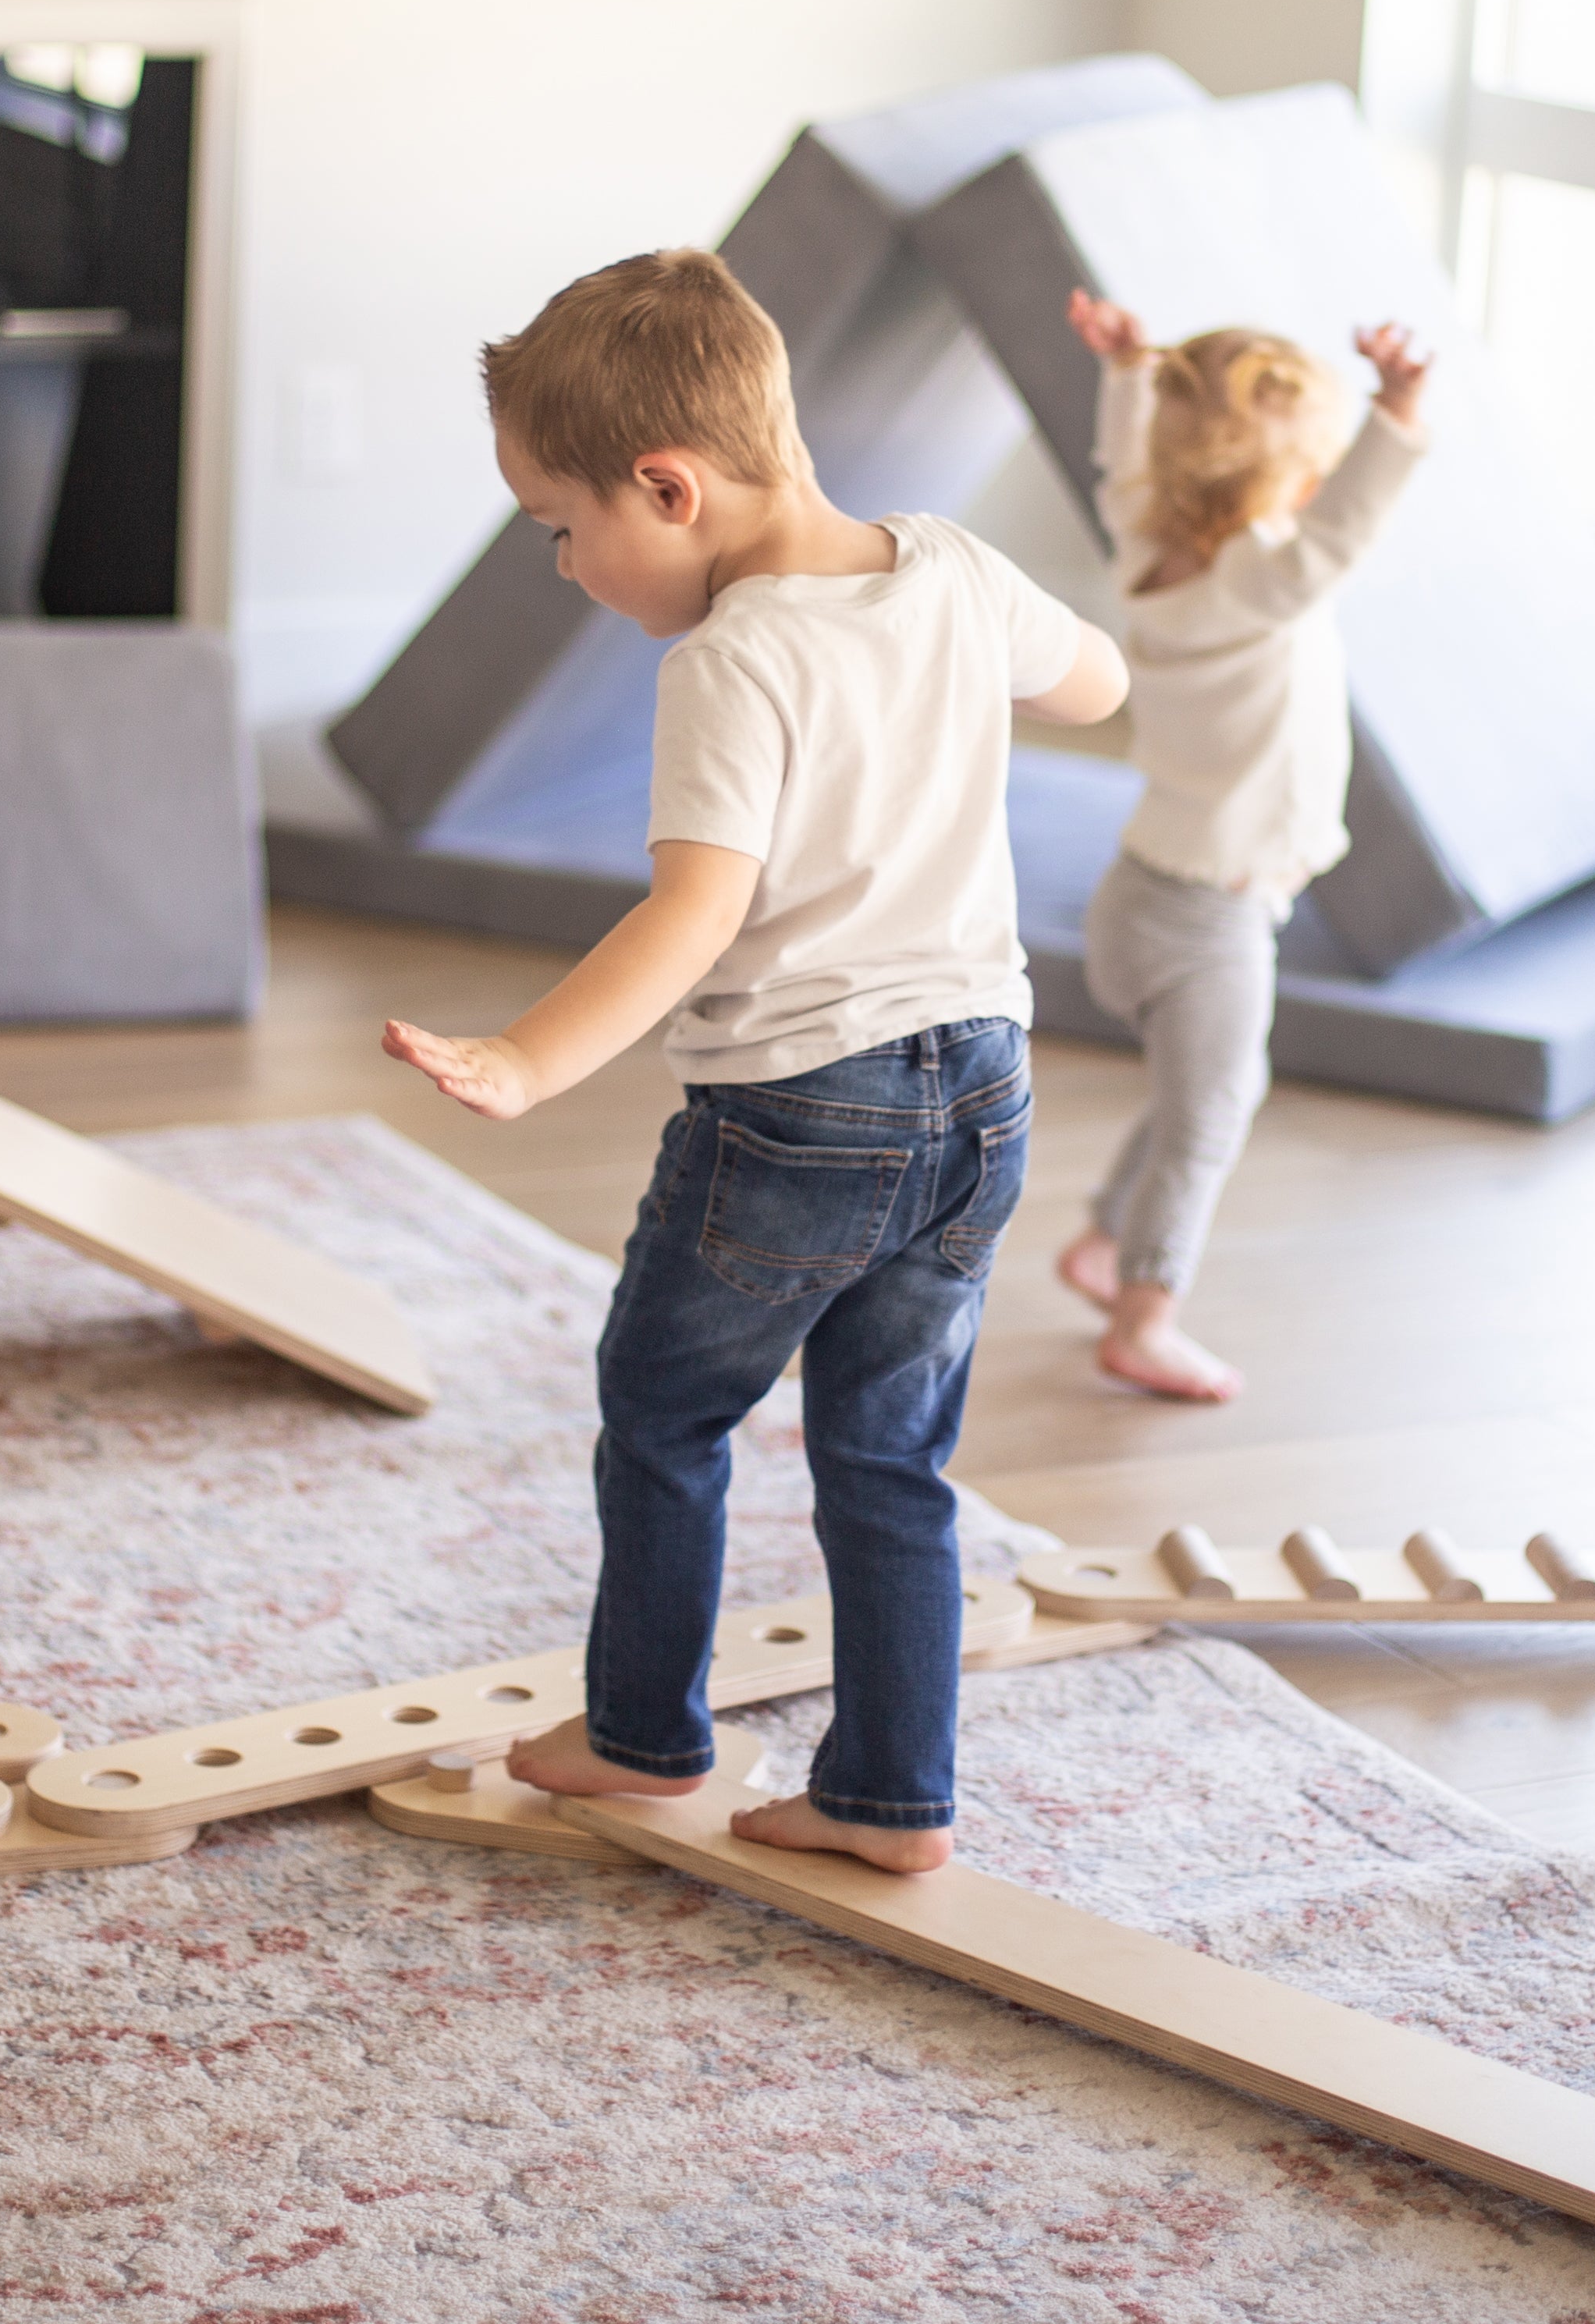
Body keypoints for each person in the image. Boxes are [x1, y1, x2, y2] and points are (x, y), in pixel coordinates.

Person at [383, 247, 1127, 1875]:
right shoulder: (948, 566)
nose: (569, 567)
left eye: (564, 529)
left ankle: (645, 1733)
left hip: (804, 1114)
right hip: (984, 1095)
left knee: (662, 1412)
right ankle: (890, 1797)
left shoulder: (729, 661)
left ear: (671, 486)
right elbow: (1101, 680)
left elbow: (694, 914)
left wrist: (525, 1058)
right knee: (890, 1452)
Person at [1053, 289, 1432, 1404]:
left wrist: (1124, 377)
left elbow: (1121, 469)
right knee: (1211, 1116)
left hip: (1142, 892)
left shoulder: (1141, 547)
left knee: (1194, 1097)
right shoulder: (1267, 584)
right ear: (1288, 489)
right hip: (1207, 913)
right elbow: (1347, 526)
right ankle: (1144, 1313)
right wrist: (1399, 410)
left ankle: (1099, 1243)